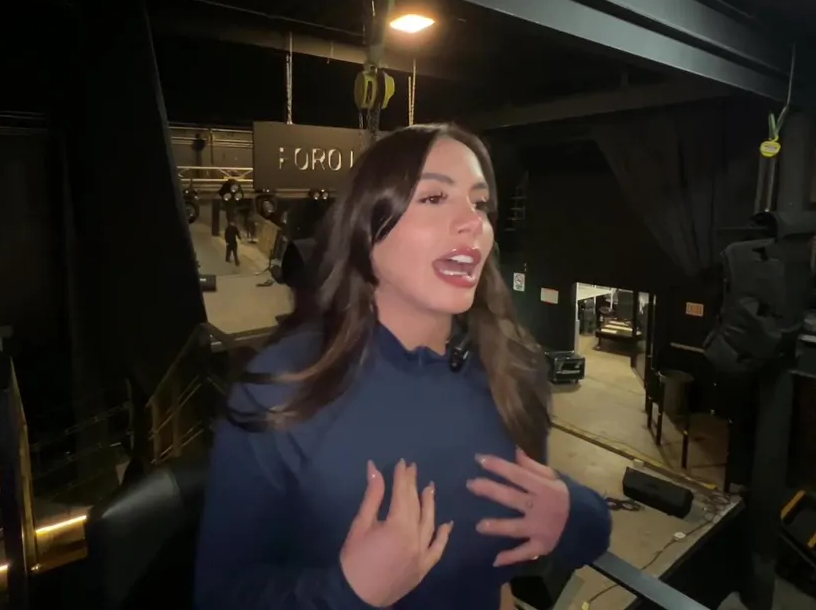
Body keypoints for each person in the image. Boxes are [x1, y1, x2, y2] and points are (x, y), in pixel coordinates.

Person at [194, 124, 611, 610]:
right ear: (366, 227)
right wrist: (347, 593)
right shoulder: (283, 388)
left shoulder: (513, 368)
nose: (473, 222)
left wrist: (574, 516)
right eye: (434, 198)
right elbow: (219, 596)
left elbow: (573, 538)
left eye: (480, 204)